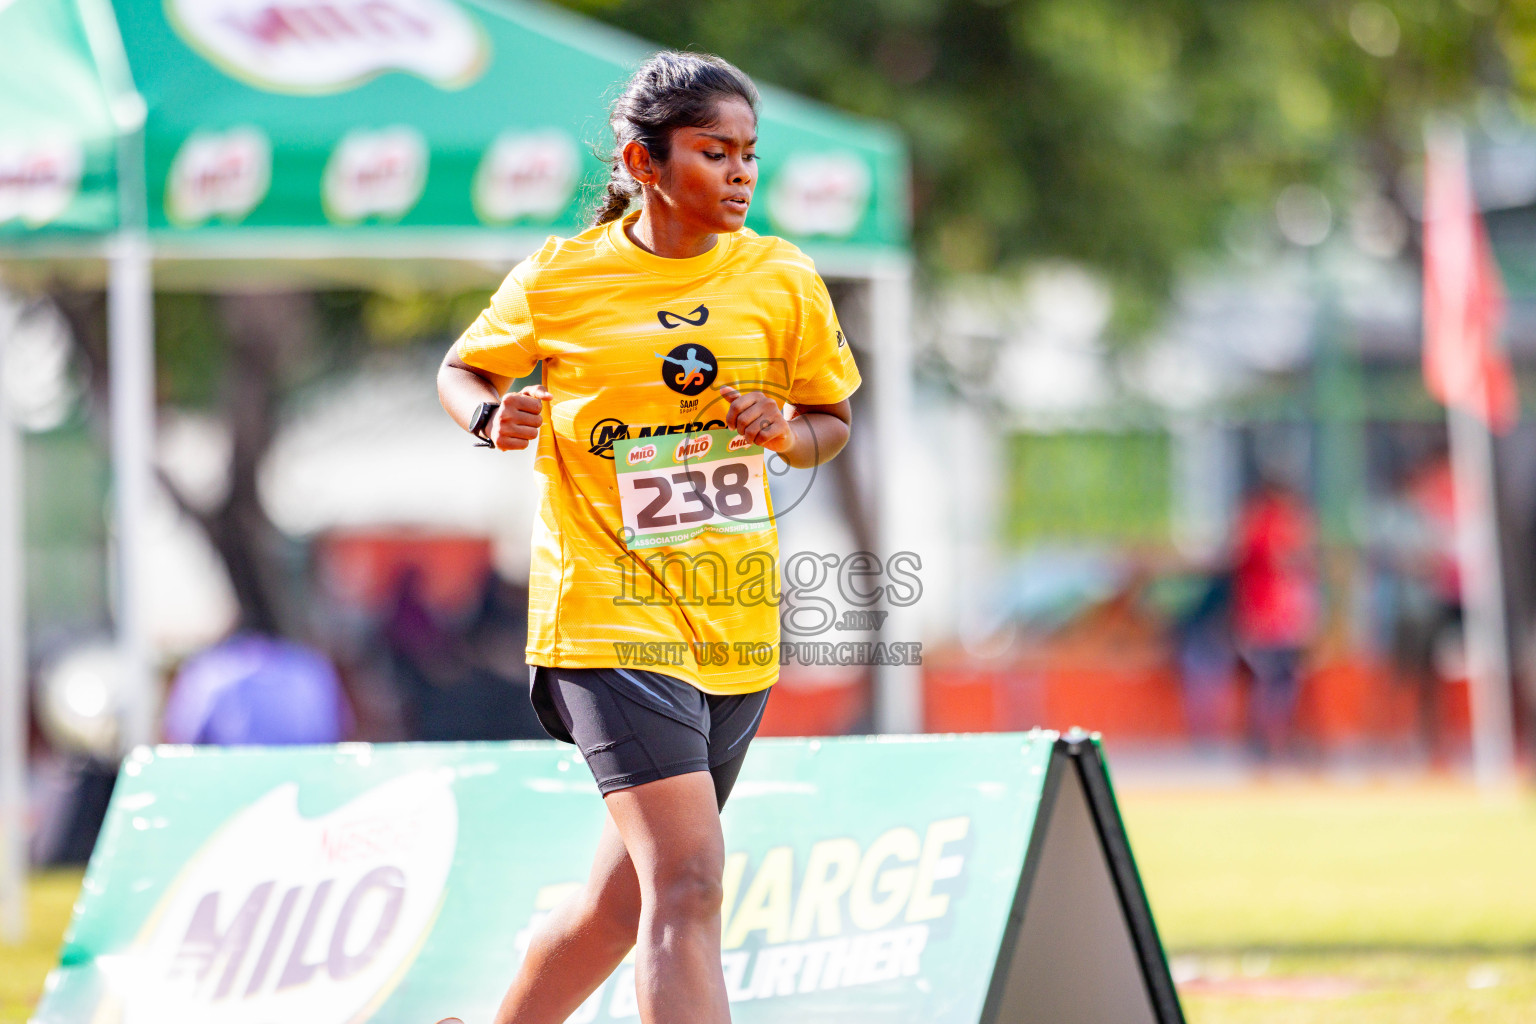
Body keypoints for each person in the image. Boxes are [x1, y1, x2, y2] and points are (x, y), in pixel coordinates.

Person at [434, 51, 859, 1024]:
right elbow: (464, 370)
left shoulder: (781, 276)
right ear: (645, 160)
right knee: (691, 881)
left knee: (619, 906)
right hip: (605, 618)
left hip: (734, 625)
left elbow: (829, 419)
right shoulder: (563, 275)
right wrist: (486, 417)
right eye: (717, 153)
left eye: (751, 154)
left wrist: (782, 431)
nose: (742, 174)